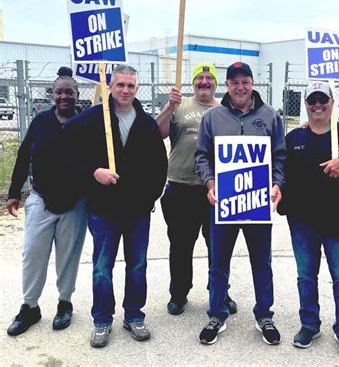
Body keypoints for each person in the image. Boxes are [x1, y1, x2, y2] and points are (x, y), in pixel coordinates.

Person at [65, 64, 168, 348]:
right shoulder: (91, 119)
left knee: (137, 265)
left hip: (137, 210)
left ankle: (134, 315)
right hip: (103, 209)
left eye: (130, 86)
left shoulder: (146, 123)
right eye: (120, 85)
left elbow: (160, 165)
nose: (125, 90)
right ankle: (101, 320)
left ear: (137, 88)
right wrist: (93, 172)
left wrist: (149, 198)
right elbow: (70, 155)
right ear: (110, 85)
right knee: (102, 267)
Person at [279, 81, 339, 357]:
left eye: (323, 100)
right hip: (303, 223)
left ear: (333, 103)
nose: (318, 105)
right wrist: (279, 199)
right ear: (306, 105)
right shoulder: (295, 138)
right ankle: (309, 324)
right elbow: (281, 174)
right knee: (306, 277)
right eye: (312, 101)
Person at [195, 61, 286, 346]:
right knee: (218, 263)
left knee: (262, 262)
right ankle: (217, 314)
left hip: (257, 201)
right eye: (234, 82)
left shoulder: (270, 116)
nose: (239, 87)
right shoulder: (213, 116)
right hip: (224, 202)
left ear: (252, 83)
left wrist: (277, 184)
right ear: (227, 86)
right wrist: (210, 184)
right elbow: (202, 156)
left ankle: (264, 315)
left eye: (244, 81)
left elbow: (280, 157)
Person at [6, 67, 87, 336]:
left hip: (75, 202)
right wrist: (15, 192)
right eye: (59, 91)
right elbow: (23, 155)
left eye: (70, 92)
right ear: (52, 94)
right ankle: (30, 307)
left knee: (69, 255)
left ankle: (65, 303)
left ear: (77, 95)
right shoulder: (41, 121)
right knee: (33, 253)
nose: (64, 96)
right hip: (41, 198)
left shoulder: (86, 122)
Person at [156, 63, 237, 316]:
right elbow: (156, 132)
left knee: (218, 246)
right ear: (193, 83)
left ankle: (219, 291)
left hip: (216, 189)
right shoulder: (180, 105)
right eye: (199, 78)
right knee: (180, 245)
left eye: (209, 78)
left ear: (216, 83)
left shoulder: (226, 110)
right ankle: (179, 293)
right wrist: (169, 106)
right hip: (180, 186)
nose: (204, 82)